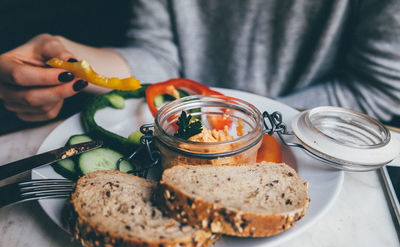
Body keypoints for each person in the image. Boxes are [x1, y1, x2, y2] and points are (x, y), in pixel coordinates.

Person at [1, 0, 399, 123]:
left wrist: (241, 119)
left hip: (316, 149)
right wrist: (66, 58)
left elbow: (377, 88)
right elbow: (159, 58)